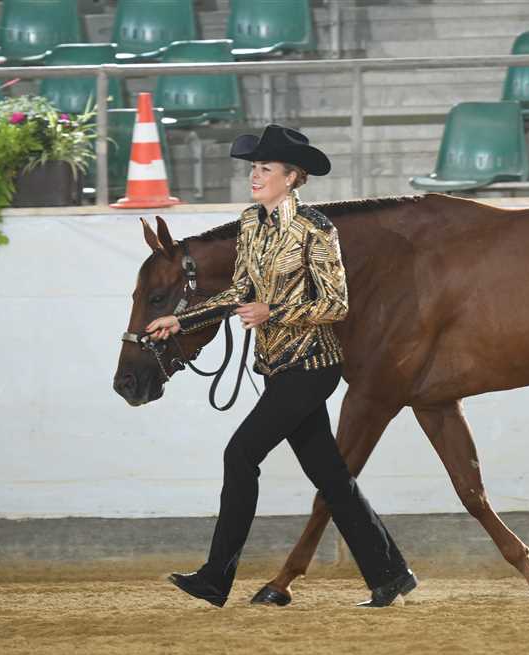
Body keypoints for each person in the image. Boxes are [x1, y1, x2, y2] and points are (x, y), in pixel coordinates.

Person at [144, 124, 416, 608]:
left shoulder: (316, 229)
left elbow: (335, 304)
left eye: (265, 169)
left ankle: (215, 577)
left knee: (240, 455)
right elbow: (238, 292)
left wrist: (274, 312)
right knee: (332, 479)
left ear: (291, 177)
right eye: (253, 167)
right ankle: (391, 574)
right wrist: (181, 320)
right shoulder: (250, 223)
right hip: (276, 368)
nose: (255, 176)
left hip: (312, 367)